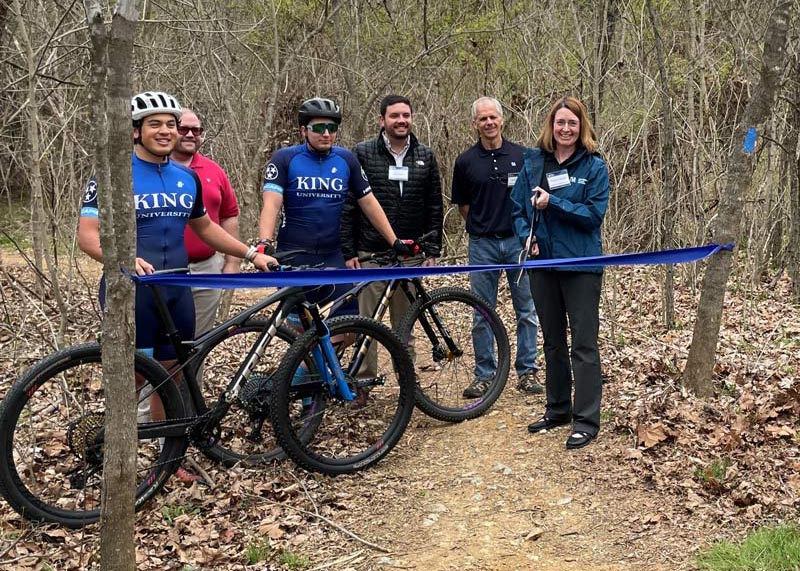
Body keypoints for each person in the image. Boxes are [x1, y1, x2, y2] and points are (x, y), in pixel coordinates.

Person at [78, 91, 276, 480]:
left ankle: (166, 460)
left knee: (170, 378)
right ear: (135, 132)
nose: (166, 131)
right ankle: (119, 460)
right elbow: (87, 235)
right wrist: (120, 260)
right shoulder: (112, 174)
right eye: (155, 124)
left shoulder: (186, 178)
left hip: (177, 290)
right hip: (131, 291)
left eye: (171, 124)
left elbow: (205, 228)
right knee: (132, 378)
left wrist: (251, 254)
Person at [511, 95, 610, 450]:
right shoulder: (534, 162)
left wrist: (555, 203)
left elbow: (592, 216)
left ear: (581, 127)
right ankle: (557, 409)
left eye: (572, 123)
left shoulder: (595, 167)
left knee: (583, 344)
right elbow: (518, 209)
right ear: (550, 127)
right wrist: (528, 237)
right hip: (543, 265)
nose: (565, 129)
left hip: (581, 266)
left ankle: (586, 420)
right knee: (552, 340)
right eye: (559, 123)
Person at [258, 97, 411, 318]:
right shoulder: (285, 158)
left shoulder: (345, 159)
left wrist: (393, 241)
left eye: (332, 128)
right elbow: (271, 203)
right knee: (300, 332)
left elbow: (369, 202)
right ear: (304, 130)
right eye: (319, 128)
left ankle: (329, 353)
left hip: (333, 257)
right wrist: (264, 242)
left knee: (348, 326)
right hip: (293, 257)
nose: (326, 133)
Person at [341, 95, 442, 386]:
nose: (401, 121)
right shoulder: (361, 153)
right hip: (371, 252)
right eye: (395, 115)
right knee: (367, 322)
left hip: (410, 252)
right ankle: (362, 381)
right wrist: (349, 250)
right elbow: (350, 203)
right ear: (382, 120)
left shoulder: (425, 155)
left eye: (406, 115)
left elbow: (434, 204)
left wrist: (432, 247)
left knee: (406, 323)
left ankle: (407, 381)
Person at [451, 96, 542, 399]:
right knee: (481, 312)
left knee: (526, 311)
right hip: (482, 245)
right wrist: (482, 226)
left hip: (518, 243)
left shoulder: (523, 156)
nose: (488, 123)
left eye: (493, 117)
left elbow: (533, 202)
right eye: (482, 119)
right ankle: (484, 374)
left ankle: (527, 372)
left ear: (502, 120)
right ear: (475, 124)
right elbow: (463, 206)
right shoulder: (465, 161)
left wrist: (528, 236)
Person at [171, 109, 241, 338]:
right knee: (163, 344)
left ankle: (193, 376)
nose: (191, 135)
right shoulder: (152, 168)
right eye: (184, 129)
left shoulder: (214, 171)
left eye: (197, 130)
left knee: (198, 342)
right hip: (163, 269)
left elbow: (229, 214)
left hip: (207, 268)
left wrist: (232, 263)